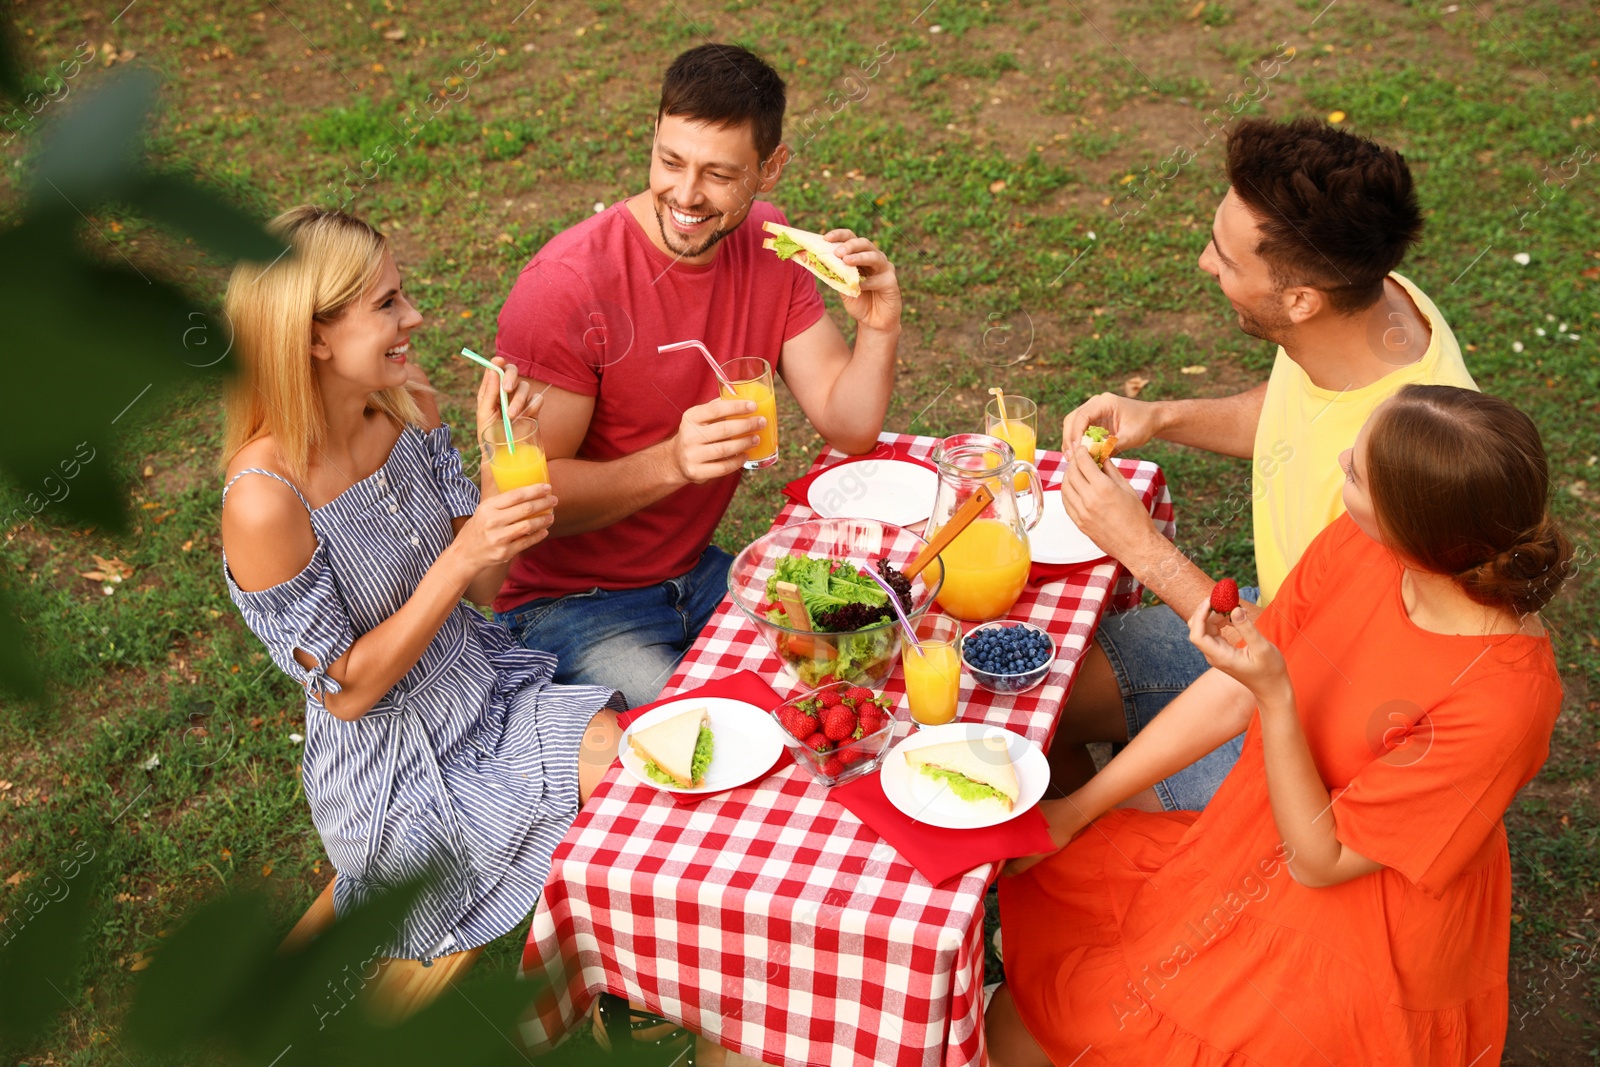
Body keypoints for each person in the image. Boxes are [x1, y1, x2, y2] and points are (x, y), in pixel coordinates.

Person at [986, 385, 1571, 1066]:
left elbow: (1320, 861)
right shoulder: (1365, 543)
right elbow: (1236, 690)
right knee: (1025, 1015)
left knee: (1084, 1026)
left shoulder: (1505, 699)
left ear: (1417, 528)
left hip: (1353, 928)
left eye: (1356, 470)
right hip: (1250, 840)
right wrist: (1077, 810)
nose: (1344, 457)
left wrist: (1278, 698)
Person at [219, 206, 624, 1010]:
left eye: (401, 295)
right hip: (394, 766)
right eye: (386, 305)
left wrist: (498, 469)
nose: (415, 318)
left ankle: (607, 986)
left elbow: (485, 590)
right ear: (313, 336)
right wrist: (463, 552)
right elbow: (346, 689)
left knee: (632, 767)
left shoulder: (410, 409)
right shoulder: (265, 502)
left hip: (486, 693)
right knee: (447, 920)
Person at [1051, 117, 1476, 809]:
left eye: (1226, 256)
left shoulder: (1399, 478)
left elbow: (1293, 668)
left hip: (1323, 723)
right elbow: (1289, 412)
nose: (1204, 262)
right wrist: (1162, 416)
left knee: (1108, 835)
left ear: (1300, 300)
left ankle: (1127, 869)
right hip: (1271, 624)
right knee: (1043, 704)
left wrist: (1140, 547)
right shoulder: (1372, 302)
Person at [492, 43, 901, 708]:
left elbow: (849, 424)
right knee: (722, 732)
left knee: (850, 680)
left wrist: (879, 327)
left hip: (695, 576)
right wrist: (674, 463)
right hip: (568, 605)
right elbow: (523, 502)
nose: (684, 195)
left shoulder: (771, 243)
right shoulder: (565, 287)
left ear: (769, 169)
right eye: (670, 161)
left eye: (717, 174)